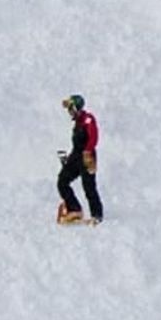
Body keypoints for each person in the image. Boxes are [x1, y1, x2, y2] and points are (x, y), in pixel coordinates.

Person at [57, 94, 103, 225]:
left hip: (87, 157)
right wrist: (68, 161)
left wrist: (88, 151)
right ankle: (74, 209)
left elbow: (93, 137)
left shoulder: (88, 119)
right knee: (62, 181)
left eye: (71, 108)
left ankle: (97, 214)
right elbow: (76, 146)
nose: (69, 112)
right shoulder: (77, 123)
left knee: (89, 186)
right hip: (76, 156)